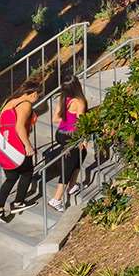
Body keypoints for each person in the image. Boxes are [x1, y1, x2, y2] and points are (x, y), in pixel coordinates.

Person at [0, 77, 44, 221]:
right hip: (19, 146)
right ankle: (18, 202)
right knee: (27, 172)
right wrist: (28, 146)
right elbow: (19, 127)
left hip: (6, 147)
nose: (37, 98)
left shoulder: (10, 103)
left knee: (11, 178)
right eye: (38, 96)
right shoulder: (26, 105)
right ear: (33, 94)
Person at [46, 78, 88, 212]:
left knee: (82, 154)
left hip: (60, 134)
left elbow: (55, 119)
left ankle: (72, 186)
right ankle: (56, 199)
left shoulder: (63, 99)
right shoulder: (79, 101)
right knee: (68, 166)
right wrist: (83, 138)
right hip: (72, 136)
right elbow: (81, 122)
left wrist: (67, 118)